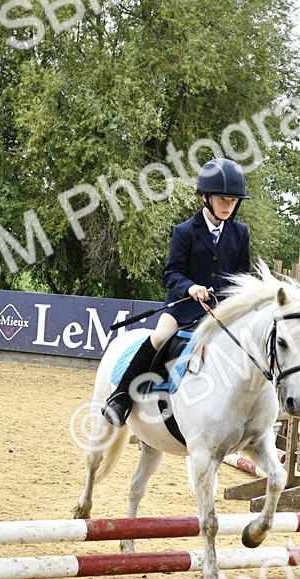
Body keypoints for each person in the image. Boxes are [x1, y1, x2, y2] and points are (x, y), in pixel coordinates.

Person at [102, 157, 252, 426]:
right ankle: (121, 397)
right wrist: (191, 287)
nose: (228, 206)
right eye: (222, 200)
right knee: (159, 337)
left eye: (233, 201)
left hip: (220, 311)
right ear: (206, 197)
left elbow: (241, 277)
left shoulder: (240, 232)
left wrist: (228, 303)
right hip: (183, 307)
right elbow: (171, 273)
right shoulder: (185, 231)